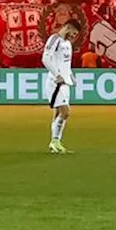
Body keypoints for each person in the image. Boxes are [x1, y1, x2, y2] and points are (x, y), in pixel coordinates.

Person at [43, 20, 79, 154]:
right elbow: (45, 59)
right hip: (55, 83)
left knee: (59, 113)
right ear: (68, 28)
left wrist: (71, 76)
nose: (74, 36)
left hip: (65, 83)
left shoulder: (68, 44)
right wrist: (56, 75)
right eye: (74, 33)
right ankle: (55, 141)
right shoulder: (54, 39)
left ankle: (55, 143)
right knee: (65, 111)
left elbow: (66, 63)